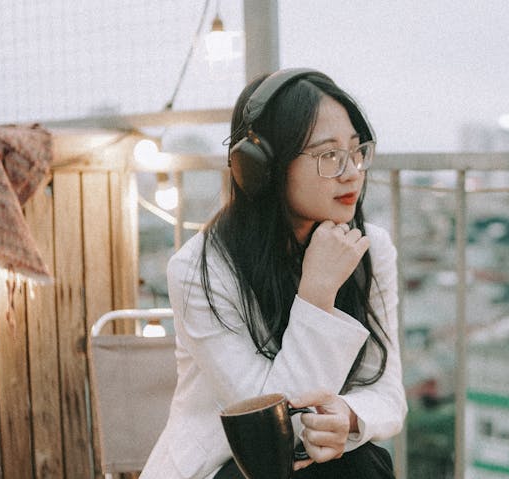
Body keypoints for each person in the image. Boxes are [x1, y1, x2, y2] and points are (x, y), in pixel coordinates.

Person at [140, 68, 407, 479]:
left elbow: (388, 394)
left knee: (362, 464)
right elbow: (273, 431)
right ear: (262, 167)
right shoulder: (199, 271)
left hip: (324, 466)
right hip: (222, 465)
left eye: (356, 150)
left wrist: (347, 416)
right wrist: (317, 293)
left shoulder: (370, 247)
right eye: (328, 156)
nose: (352, 171)